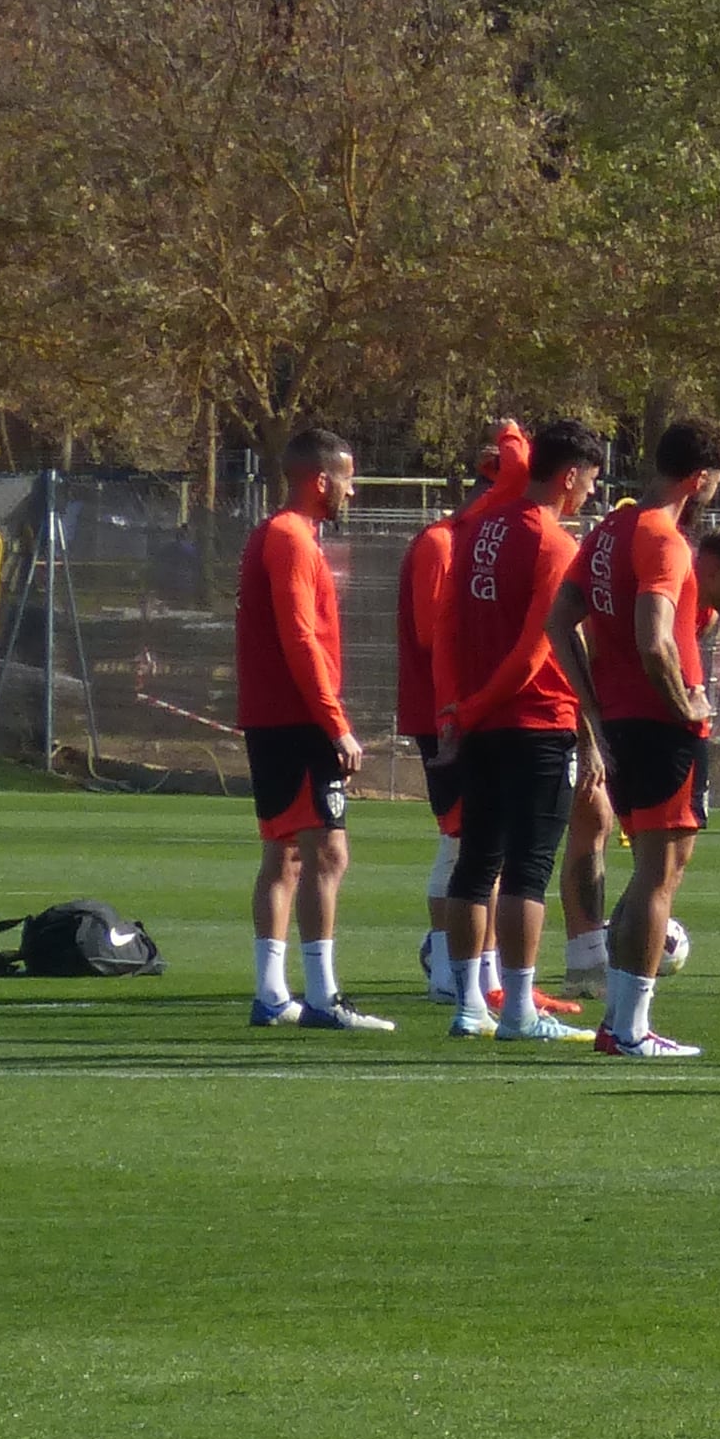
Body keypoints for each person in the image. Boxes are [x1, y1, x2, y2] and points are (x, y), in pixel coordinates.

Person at [556, 417, 720, 1060]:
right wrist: (685, 704)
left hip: (621, 721)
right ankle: (629, 1029)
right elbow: (655, 639)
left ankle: (618, 1020)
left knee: (647, 870)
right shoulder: (664, 540)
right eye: (715, 483)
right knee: (659, 874)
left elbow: (560, 622)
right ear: (700, 478)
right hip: (663, 728)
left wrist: (593, 707)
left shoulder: (610, 529)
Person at [438, 420, 609, 1043]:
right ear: (569, 475)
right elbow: (539, 652)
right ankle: (516, 1012)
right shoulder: (555, 543)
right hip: (535, 721)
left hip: (479, 722)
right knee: (528, 870)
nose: (591, 492)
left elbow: (451, 621)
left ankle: (467, 1006)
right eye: (590, 480)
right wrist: (480, 702)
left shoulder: (481, 530)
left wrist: (457, 706)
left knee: (475, 863)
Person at [235, 425, 393, 1032]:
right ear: (321, 480)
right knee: (327, 851)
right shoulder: (292, 539)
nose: (352, 492)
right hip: (297, 719)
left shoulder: (280, 535)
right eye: (348, 479)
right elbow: (301, 637)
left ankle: (272, 994)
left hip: (273, 716)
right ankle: (324, 997)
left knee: (284, 856)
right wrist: (336, 724)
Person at [400, 420, 534, 1007]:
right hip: (447, 714)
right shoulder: (443, 542)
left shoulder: (470, 540)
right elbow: (435, 636)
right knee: (462, 841)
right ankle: (451, 972)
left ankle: (479, 977)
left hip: (472, 711)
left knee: (481, 843)